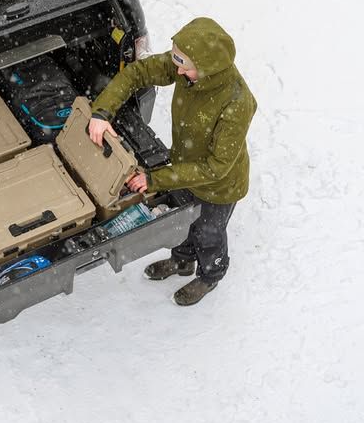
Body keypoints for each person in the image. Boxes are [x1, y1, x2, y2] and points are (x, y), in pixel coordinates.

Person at [88, 17, 256, 306]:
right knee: (182, 223)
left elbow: (215, 167)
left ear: (207, 67)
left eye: (184, 65)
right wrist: (102, 113)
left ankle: (210, 275)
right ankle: (182, 261)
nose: (177, 69)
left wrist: (155, 179)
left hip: (219, 186)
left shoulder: (237, 102)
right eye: (177, 59)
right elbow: (137, 73)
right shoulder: (188, 68)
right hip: (183, 167)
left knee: (208, 233)